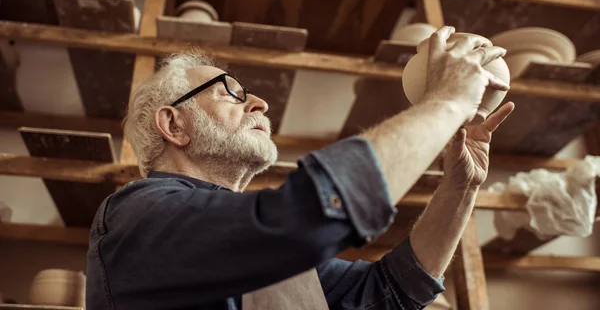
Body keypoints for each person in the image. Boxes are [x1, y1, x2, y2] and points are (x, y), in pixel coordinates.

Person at [86, 26, 514, 309]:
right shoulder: (137, 214)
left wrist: (460, 188)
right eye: (230, 93)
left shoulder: (269, 249)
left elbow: (389, 294)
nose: (259, 103)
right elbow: (304, 217)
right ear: (174, 124)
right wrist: (447, 102)